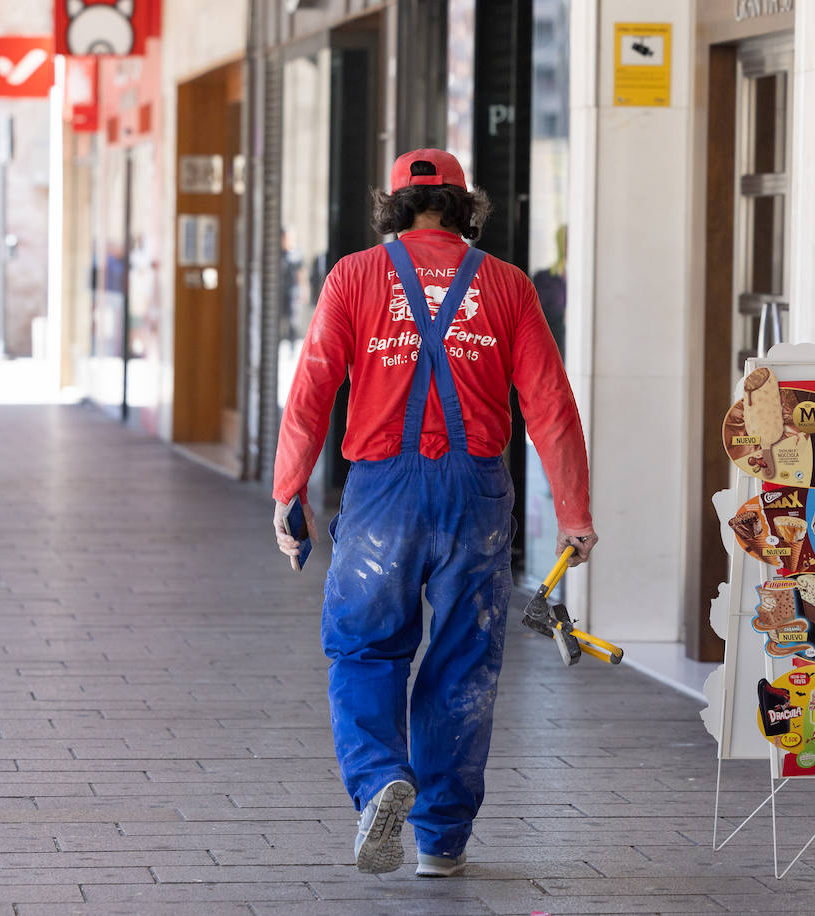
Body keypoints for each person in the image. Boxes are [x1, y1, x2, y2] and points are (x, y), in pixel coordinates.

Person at [271, 150, 598, 878]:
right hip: (476, 495)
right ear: (462, 205)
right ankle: (440, 840)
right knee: (462, 664)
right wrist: (573, 512)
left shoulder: (354, 276)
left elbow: (313, 389)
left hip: (383, 491)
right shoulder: (507, 286)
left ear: (395, 205)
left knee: (364, 648)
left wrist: (288, 490)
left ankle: (380, 776)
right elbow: (550, 403)